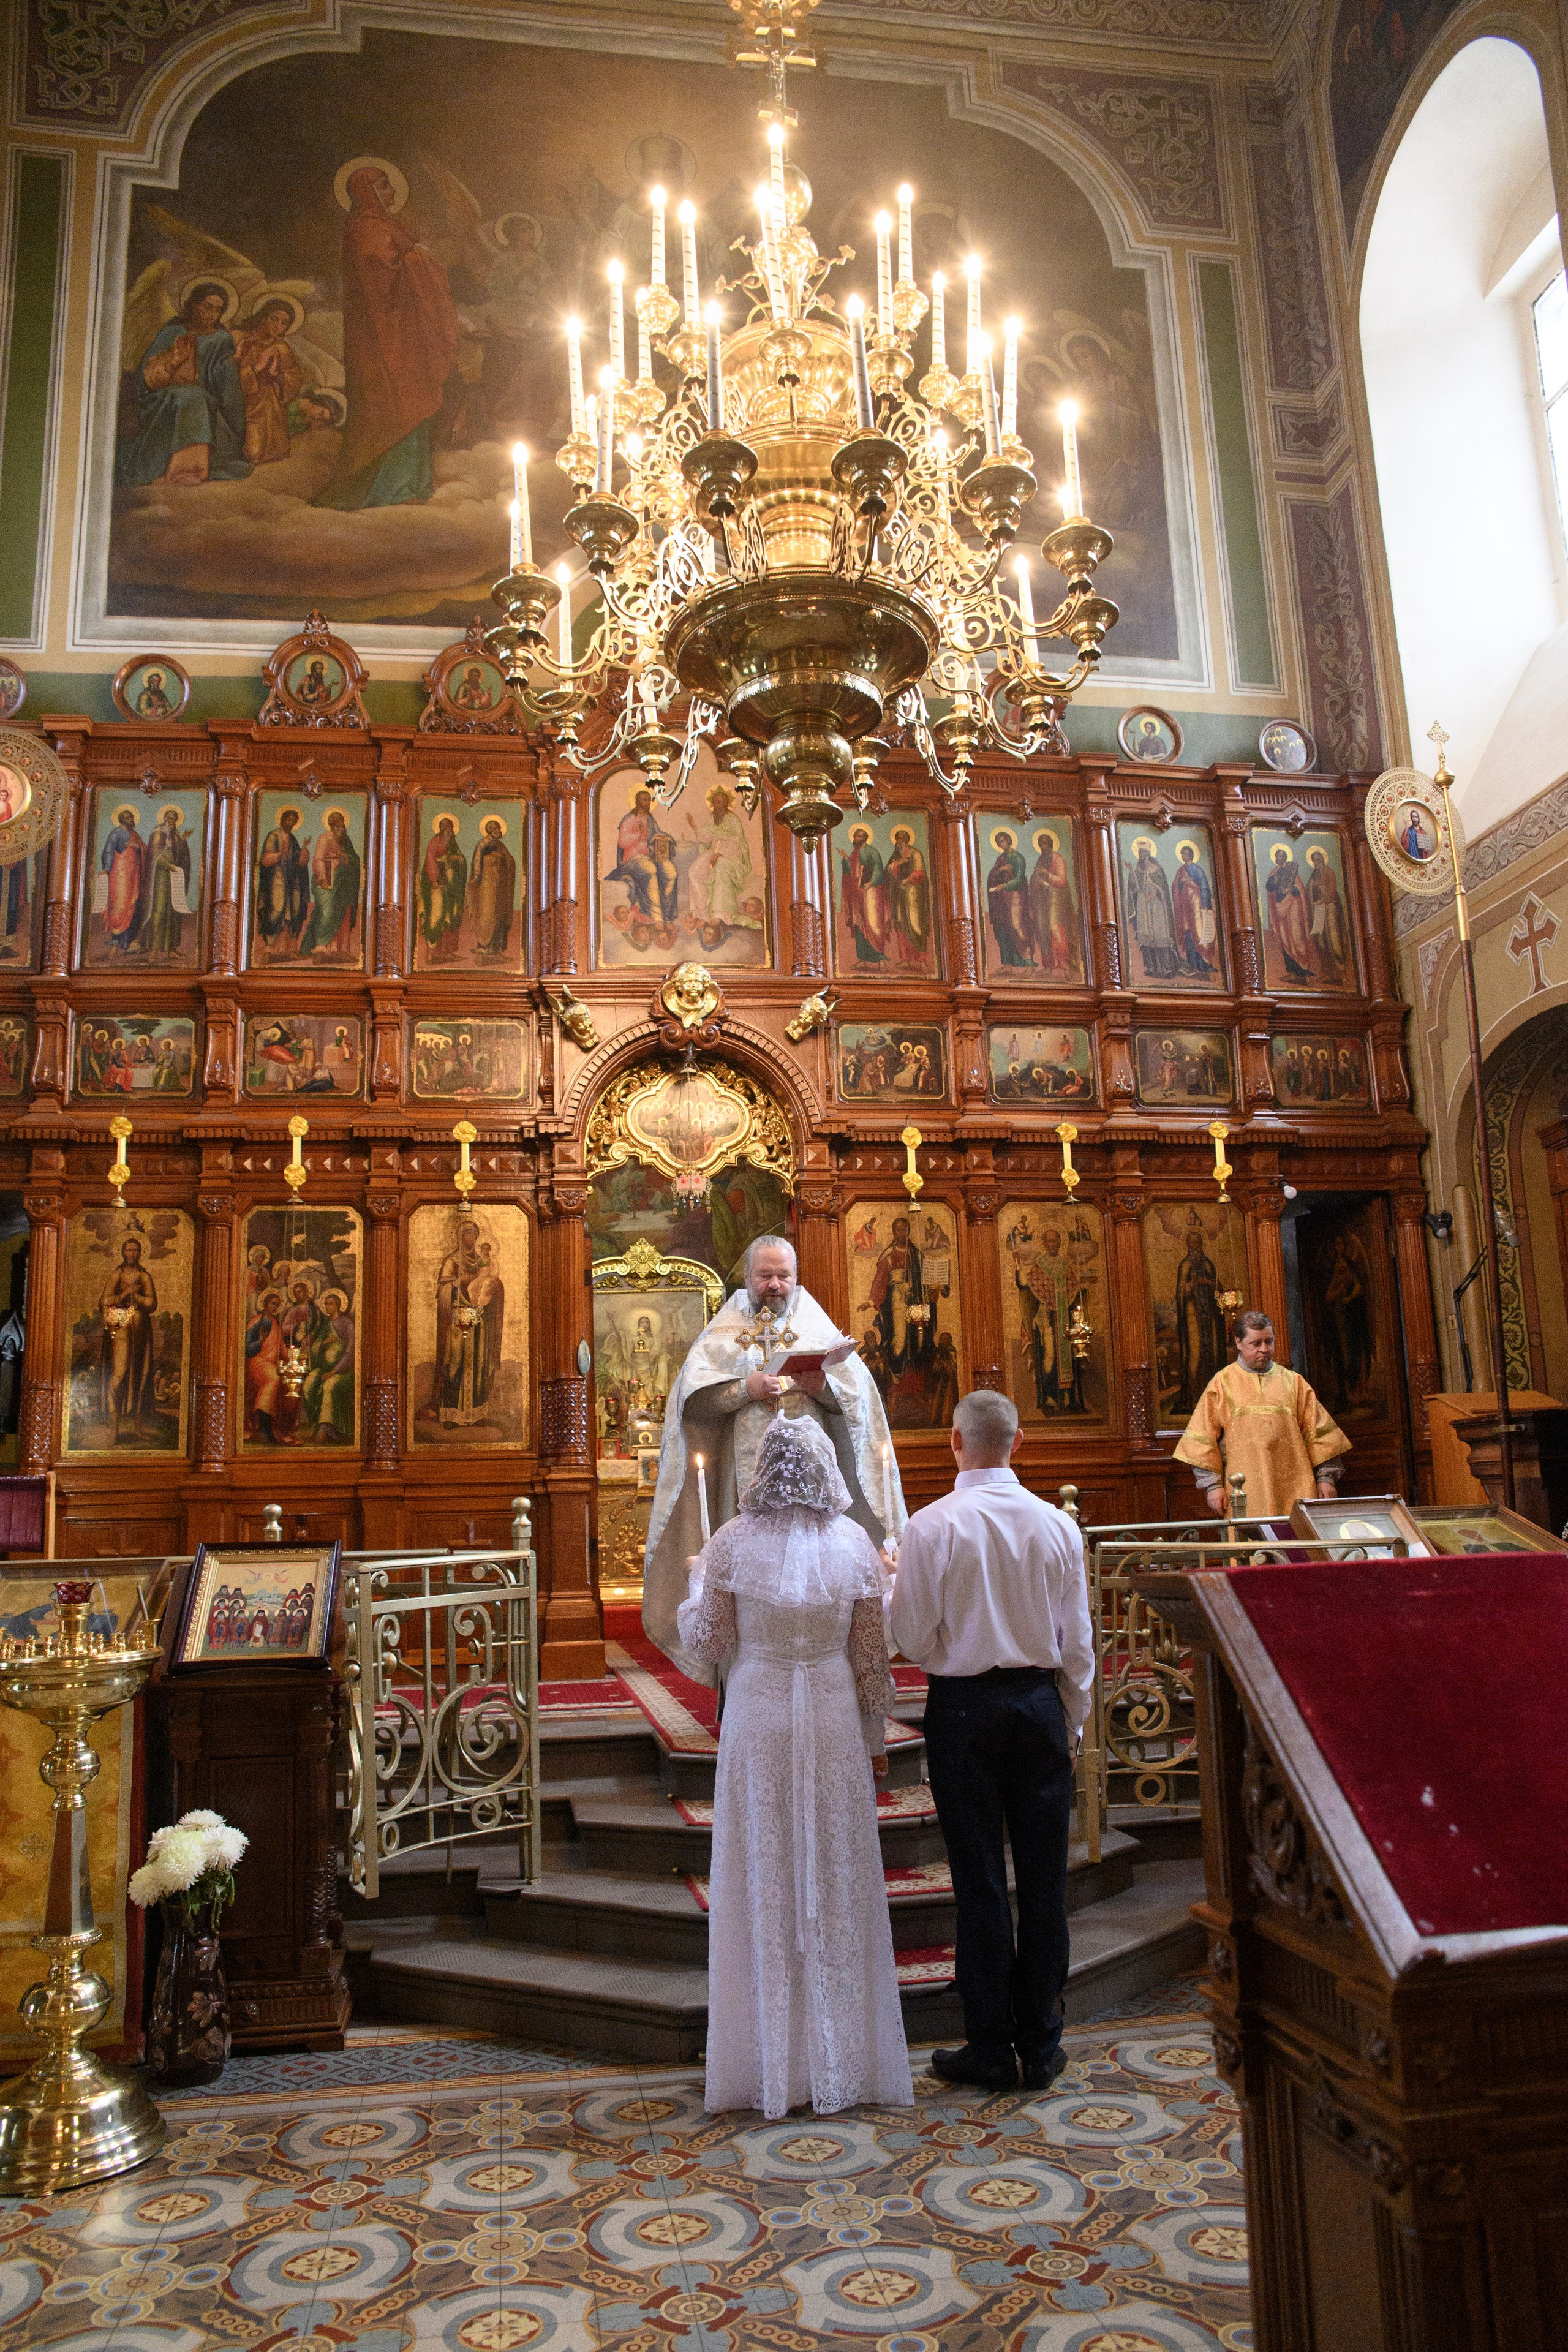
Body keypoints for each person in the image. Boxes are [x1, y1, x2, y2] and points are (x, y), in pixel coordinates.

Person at [676, 1415, 914, 2118]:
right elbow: (870, 1662)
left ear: (764, 1469)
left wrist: (696, 1587)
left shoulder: (731, 1542)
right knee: (836, 1867)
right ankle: (841, 2056)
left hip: (759, 1711)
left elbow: (707, 1642)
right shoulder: (854, 1544)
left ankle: (767, 2061)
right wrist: (876, 1740)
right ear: (824, 1469)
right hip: (834, 1712)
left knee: (765, 1866)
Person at [889, 1389, 1095, 2090]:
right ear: (1018, 1442)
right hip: (1039, 1707)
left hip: (965, 1711)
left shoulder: (930, 1526)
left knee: (978, 1881)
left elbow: (911, 1636)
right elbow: (1078, 1645)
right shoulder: (1058, 1525)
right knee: (1043, 1881)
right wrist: (1069, 1721)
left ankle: (988, 2045)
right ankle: (1040, 2043)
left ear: (953, 1441)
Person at [643, 1235, 903, 1670]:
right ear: (747, 1278)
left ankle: (821, 1658)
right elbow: (693, 1405)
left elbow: (860, 1407)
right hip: (742, 1483)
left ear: (796, 1277)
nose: (775, 1285)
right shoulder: (721, 1334)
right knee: (742, 1581)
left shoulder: (817, 1327)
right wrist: (743, 1389)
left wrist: (823, 1389)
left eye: (784, 1275)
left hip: (815, 1492)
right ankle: (738, 1670)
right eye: (765, 1275)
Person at [318, 163, 459, 511]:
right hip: (385, 338)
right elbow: (380, 277)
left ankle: (412, 483)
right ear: (366, 193)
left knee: (410, 398)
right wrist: (420, 258)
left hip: (402, 333)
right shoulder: (369, 227)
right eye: (383, 186)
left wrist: (416, 254)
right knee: (398, 403)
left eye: (390, 185)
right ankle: (389, 487)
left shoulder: (383, 226)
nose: (392, 191)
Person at [1174, 1309, 1349, 1517]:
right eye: (1256, 1343)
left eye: (1269, 1342)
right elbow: (1201, 1440)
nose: (1265, 1349)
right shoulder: (1223, 1383)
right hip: (1245, 1490)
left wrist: (1326, 1479)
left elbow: (1322, 1436)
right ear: (1239, 1343)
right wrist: (1213, 1486)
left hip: (1297, 1488)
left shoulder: (1294, 1383)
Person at [116, 279, 249, 488]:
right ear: (193, 305)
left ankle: (188, 470)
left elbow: (228, 386)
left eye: (218, 310)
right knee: (191, 396)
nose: (212, 314)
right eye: (207, 307)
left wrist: (236, 427)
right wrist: (174, 363)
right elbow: (145, 380)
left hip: (207, 404)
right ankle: (182, 471)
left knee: (195, 397)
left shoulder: (221, 339)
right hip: (162, 401)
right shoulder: (171, 333)